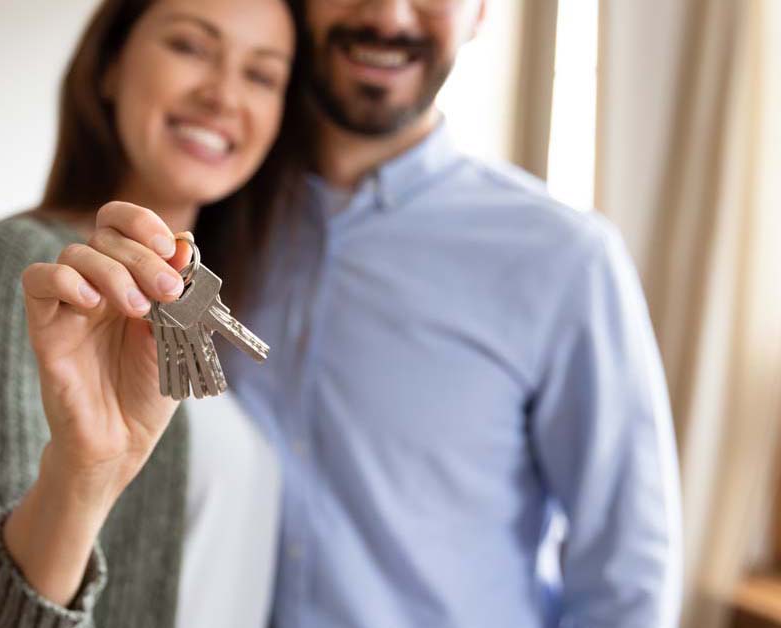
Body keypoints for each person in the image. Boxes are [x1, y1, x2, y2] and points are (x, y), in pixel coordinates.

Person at [217, 0, 684, 626]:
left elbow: (628, 572)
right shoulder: (207, 222)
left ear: (482, 11)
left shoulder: (566, 259)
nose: (388, 16)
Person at [0, 0, 305, 626]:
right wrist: (81, 474)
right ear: (111, 66)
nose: (224, 94)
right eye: (191, 47)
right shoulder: (25, 266)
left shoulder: (243, 299)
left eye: (262, 75)